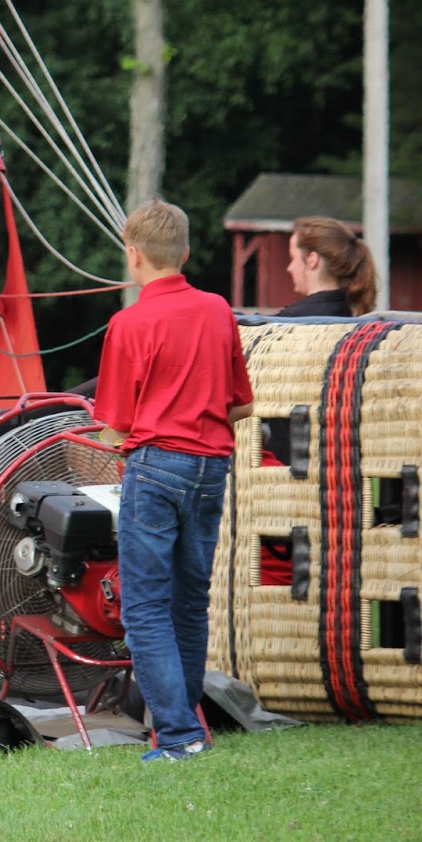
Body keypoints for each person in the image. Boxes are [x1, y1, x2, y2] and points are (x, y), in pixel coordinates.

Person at [95, 199, 254, 762]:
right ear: (185, 253)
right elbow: (242, 405)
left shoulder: (128, 323)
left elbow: (115, 425)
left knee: (144, 606)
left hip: (156, 465)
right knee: (190, 602)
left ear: (132, 256)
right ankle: (187, 724)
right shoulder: (217, 310)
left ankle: (179, 734)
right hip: (212, 466)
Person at [279, 215, 377, 317]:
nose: (289, 268)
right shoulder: (355, 317)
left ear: (312, 260)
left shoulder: (288, 321)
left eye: (293, 258)